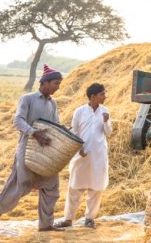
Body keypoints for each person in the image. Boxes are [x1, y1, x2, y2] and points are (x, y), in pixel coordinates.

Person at [0, 64, 64, 232]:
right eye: (56, 83)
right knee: (19, 187)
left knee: (51, 187)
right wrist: (34, 133)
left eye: (59, 83)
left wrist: (65, 132)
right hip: (27, 148)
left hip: (46, 151)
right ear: (45, 82)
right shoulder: (28, 99)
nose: (58, 87)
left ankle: (46, 224)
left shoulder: (53, 103)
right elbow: (18, 121)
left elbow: (56, 124)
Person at [54, 83, 112, 229]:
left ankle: (90, 219)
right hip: (82, 155)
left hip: (98, 155)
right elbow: (74, 132)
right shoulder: (79, 111)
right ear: (93, 96)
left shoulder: (105, 111)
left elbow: (109, 132)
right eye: (102, 94)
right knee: (75, 187)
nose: (105, 96)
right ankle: (68, 219)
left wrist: (106, 121)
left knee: (96, 187)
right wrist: (78, 148)